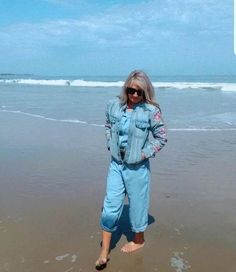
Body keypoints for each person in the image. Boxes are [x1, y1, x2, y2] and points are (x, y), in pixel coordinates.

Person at [95, 70, 167, 270]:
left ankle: (138, 240)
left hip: (137, 168)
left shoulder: (151, 111)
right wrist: (110, 143)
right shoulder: (113, 105)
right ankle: (104, 252)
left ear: (145, 93)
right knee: (110, 204)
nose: (134, 95)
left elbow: (161, 138)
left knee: (137, 205)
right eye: (131, 90)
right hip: (116, 164)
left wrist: (143, 154)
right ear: (126, 88)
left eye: (139, 92)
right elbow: (108, 125)